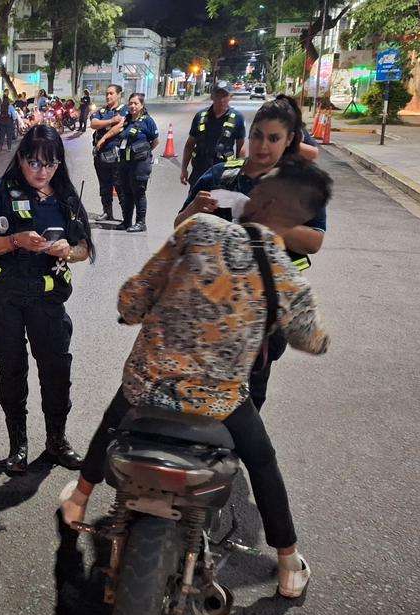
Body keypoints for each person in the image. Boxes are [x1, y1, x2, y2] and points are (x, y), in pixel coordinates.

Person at [60, 160, 334, 599]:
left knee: (113, 421)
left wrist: (132, 312)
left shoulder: (199, 229)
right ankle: (288, 563)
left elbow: (136, 293)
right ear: (296, 220)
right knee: (262, 463)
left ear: (260, 199)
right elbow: (310, 338)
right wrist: (320, 339)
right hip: (218, 401)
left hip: (148, 383)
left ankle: (79, 499)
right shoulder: (284, 273)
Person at [174, 95, 325, 409]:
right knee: (196, 396)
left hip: (263, 312)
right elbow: (179, 227)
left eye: (273, 138)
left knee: (245, 401)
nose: (262, 146)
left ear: (289, 141)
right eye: (257, 135)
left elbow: (313, 241)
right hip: (210, 306)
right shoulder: (220, 175)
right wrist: (194, 208)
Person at [0, 125, 94, 474]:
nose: (42, 171)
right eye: (34, 162)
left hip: (48, 300)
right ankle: (18, 445)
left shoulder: (66, 197)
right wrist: (16, 241)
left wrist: (67, 250)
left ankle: (57, 441)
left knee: (57, 370)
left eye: (50, 164)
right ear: (21, 158)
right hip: (4, 299)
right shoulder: (1, 191)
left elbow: (84, 248)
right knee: (12, 370)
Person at [95, 93, 159, 232]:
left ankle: (141, 223)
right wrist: (103, 139)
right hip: (125, 161)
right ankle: (127, 222)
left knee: (139, 192)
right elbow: (115, 130)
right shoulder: (126, 120)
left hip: (140, 163)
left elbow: (155, 141)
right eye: (130, 103)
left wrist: (142, 152)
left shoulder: (147, 121)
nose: (132, 106)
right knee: (126, 192)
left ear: (142, 105)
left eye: (136, 103)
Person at [181, 85, 246, 186]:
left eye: (224, 95)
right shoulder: (200, 116)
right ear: (212, 96)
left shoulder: (237, 118)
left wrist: (239, 171)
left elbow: (240, 148)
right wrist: (184, 169)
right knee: (196, 195)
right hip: (200, 170)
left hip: (224, 172)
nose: (221, 99)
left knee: (221, 196)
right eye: (218, 95)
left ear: (230, 97)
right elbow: (189, 145)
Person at [88, 84, 128, 223]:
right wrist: (111, 121)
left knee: (120, 185)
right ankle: (107, 212)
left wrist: (104, 134)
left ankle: (126, 216)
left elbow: (119, 126)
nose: (108, 96)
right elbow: (94, 124)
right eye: (107, 93)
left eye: (111, 93)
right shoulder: (102, 110)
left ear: (119, 94)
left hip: (116, 155)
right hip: (100, 154)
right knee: (104, 186)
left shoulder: (125, 110)